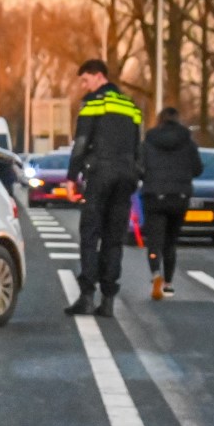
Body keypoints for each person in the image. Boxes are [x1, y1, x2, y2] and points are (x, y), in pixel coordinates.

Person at [65, 60, 144, 317]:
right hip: (126, 176)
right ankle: (108, 301)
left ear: (99, 77)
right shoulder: (131, 105)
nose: (84, 86)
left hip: (100, 174)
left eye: (85, 80)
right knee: (114, 237)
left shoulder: (93, 103)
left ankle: (87, 296)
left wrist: (71, 177)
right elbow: (136, 146)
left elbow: (81, 143)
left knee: (90, 234)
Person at [139, 107, 204, 300]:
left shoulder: (148, 141)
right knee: (170, 242)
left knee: (154, 241)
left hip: (154, 196)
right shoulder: (188, 142)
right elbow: (198, 169)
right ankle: (168, 284)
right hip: (179, 197)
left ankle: (155, 275)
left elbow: (140, 168)